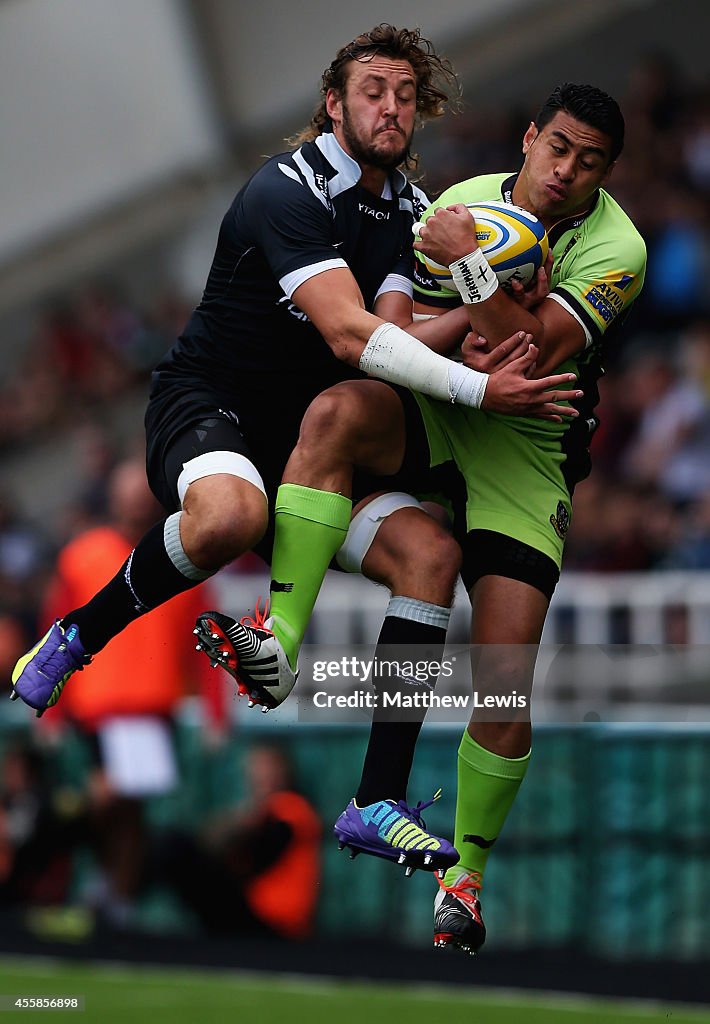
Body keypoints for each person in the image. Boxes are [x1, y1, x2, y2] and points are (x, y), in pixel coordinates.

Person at [10, 25, 575, 876]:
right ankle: (78, 635)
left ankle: (374, 799)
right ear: (333, 102)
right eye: (373, 91)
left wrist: (476, 310)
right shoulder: (286, 188)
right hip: (209, 407)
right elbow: (352, 339)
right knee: (232, 516)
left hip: (304, 448)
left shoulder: (409, 211)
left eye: (406, 95)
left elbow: (396, 334)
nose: (391, 108)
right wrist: (481, 388)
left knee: (428, 554)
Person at [213, 83, 646, 954]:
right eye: (557, 146)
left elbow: (541, 351)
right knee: (335, 412)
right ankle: (281, 636)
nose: (565, 171)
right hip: (450, 408)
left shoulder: (618, 247)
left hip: (527, 449)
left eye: (589, 161)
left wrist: (476, 275)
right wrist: (471, 322)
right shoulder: (458, 203)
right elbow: (396, 324)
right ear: (529, 136)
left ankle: (466, 877)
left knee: (502, 678)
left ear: (607, 173)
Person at [34, 456, 223, 927]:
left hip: (153, 708)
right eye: (128, 492)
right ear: (114, 496)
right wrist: (51, 711)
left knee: (131, 809)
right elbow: (56, 629)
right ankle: (99, 887)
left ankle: (115, 901)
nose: (136, 501)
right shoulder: (84, 554)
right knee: (108, 799)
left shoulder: (184, 553)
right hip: (98, 707)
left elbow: (206, 637)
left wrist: (216, 712)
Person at [154, 744, 321, 939]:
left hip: (274, 920)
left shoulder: (291, 808)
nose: (260, 775)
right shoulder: (262, 811)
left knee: (176, 848)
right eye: (256, 768)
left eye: (267, 768)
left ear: (284, 771)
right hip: (259, 911)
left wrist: (234, 825)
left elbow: (257, 849)